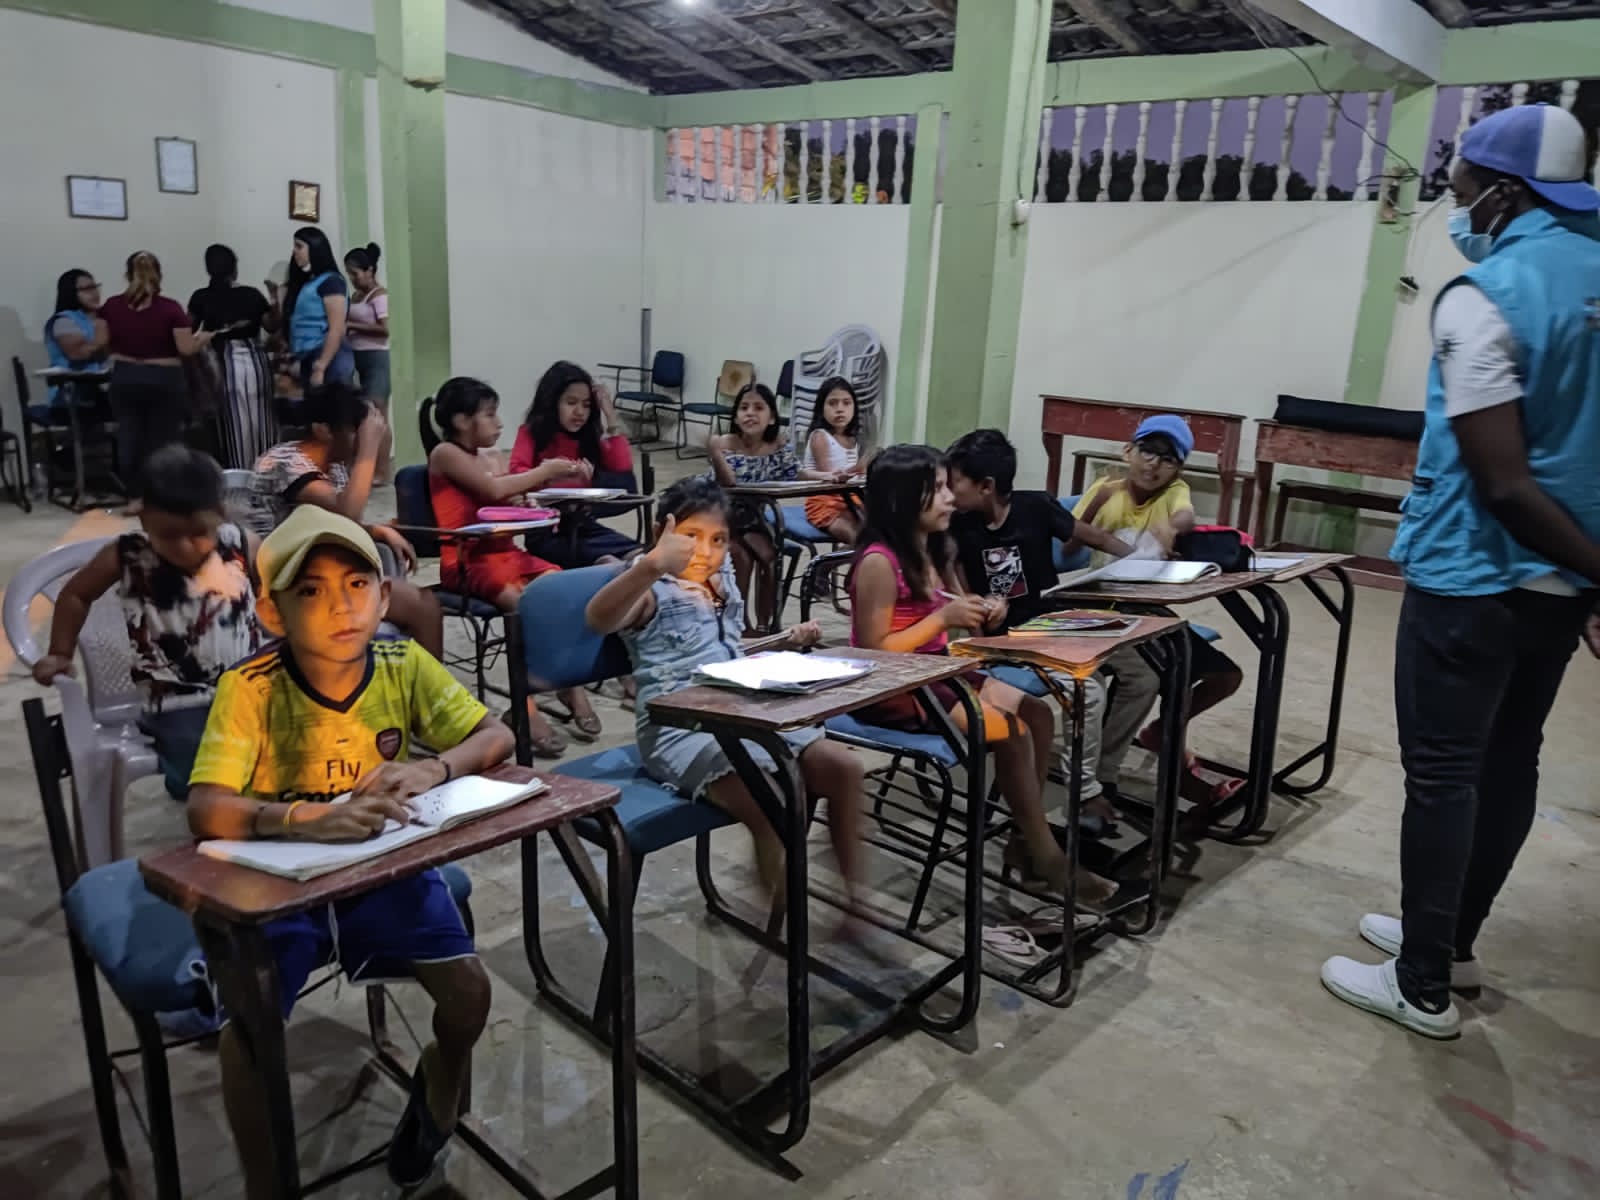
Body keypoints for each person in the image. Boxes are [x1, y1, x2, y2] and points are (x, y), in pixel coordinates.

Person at [1321, 104, 1600, 1040]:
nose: (1457, 205)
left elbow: (1505, 482)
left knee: (1444, 775)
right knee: (1510, 758)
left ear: (1505, 192)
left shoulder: (1489, 294)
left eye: (1462, 187)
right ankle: (1451, 944)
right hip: (1562, 586)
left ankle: (1421, 983)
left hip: (1476, 577)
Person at [187, 506, 506, 1194]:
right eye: (311, 591)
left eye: (358, 584)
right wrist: (306, 819)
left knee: (469, 995)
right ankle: (267, 1183)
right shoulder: (251, 688)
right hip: (279, 889)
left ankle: (441, 1078)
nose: (341, 606)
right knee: (251, 1031)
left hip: (382, 872)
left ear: (385, 596)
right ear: (271, 612)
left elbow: (494, 736)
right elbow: (205, 807)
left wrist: (433, 768)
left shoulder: (401, 662)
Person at [586, 477, 869, 920]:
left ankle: (855, 908)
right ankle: (787, 924)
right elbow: (598, 619)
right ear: (663, 532)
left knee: (842, 768)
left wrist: (781, 641)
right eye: (691, 537)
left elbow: (728, 649)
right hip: (680, 727)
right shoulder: (650, 588)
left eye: (718, 540)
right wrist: (651, 565)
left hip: (744, 707)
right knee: (773, 802)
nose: (705, 551)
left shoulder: (722, 578)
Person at [847, 444, 1118, 907]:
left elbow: (951, 607)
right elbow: (873, 653)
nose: (950, 497)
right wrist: (943, 619)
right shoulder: (879, 561)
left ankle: (1023, 838)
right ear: (902, 500)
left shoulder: (931, 546)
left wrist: (983, 609)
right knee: (1011, 733)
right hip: (895, 687)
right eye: (937, 489)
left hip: (938, 670)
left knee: (1038, 716)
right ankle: (1047, 857)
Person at [946, 428, 1139, 828]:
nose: (948, 492)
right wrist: (984, 613)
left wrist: (1147, 561)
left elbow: (1094, 537)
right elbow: (961, 597)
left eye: (954, 482)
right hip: (1005, 640)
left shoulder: (1035, 507)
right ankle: (1084, 793)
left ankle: (1098, 779)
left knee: (1143, 669)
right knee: (1088, 690)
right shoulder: (958, 527)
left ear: (986, 486)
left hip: (1054, 625)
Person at [423, 375, 605, 756]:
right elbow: (492, 491)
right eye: (489, 414)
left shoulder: (489, 456)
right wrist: (546, 471)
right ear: (460, 420)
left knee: (560, 591)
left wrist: (526, 502)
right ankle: (525, 704)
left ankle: (568, 684)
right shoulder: (445, 454)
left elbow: (503, 499)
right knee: (524, 606)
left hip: (508, 554)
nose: (499, 423)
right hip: (469, 561)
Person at [1073, 415, 1244, 798]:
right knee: (1147, 677)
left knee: (1225, 676)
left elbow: (1185, 515)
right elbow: (1066, 550)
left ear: (1178, 469)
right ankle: (1103, 776)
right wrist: (1093, 509)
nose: (1154, 464)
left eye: (1168, 459)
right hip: (1102, 608)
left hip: (1148, 611)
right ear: (1128, 452)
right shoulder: (1105, 490)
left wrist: (1171, 528)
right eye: (1148, 451)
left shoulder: (1173, 492)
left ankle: (1164, 731)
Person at [255, 383, 442, 658]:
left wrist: (378, 531)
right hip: (286, 576)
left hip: (324, 567)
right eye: (355, 431)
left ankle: (418, 682)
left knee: (424, 605)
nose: (360, 438)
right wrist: (368, 450)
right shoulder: (284, 461)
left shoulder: (335, 467)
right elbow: (347, 514)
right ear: (323, 430)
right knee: (420, 607)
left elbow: (336, 522)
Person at [100, 251, 215, 501]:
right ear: (159, 275)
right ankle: (162, 496)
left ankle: (134, 496)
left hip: (125, 376)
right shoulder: (170, 308)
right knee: (163, 440)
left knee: (129, 435)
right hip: (165, 378)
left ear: (127, 275)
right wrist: (203, 339)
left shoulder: (111, 306)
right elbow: (186, 349)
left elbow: (102, 342)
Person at [510, 360, 642, 566]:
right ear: (552, 402)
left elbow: (623, 474)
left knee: (641, 555)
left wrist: (611, 418)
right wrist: (552, 475)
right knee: (607, 562)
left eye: (586, 405)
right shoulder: (531, 433)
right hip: (546, 531)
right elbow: (517, 474)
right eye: (571, 403)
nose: (580, 412)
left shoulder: (587, 437)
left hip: (584, 526)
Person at [706, 382, 806, 631]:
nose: (750, 413)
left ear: (772, 418)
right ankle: (741, 625)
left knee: (770, 558)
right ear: (735, 417)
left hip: (753, 519)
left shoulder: (778, 446)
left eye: (759, 408)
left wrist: (829, 476)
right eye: (744, 408)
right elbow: (728, 482)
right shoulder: (725, 444)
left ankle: (764, 626)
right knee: (740, 558)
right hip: (719, 519)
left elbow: (798, 473)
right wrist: (715, 453)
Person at [187, 244, 277, 470]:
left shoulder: (201, 297)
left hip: (222, 365)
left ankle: (238, 474)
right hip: (256, 364)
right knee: (263, 421)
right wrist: (275, 298)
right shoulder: (251, 294)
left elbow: (187, 331)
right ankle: (266, 473)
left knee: (232, 426)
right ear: (234, 269)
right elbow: (272, 325)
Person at [271, 226, 353, 390]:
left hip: (327, 357)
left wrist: (321, 366)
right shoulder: (309, 283)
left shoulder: (331, 281)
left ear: (315, 249)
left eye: (299, 246)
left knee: (331, 405)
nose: (294, 252)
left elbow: (336, 328)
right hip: (308, 355)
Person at [343, 242, 393, 484]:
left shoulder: (379, 296)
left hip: (376, 358)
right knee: (363, 415)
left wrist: (351, 326)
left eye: (355, 273)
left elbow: (385, 329)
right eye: (349, 274)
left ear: (370, 270)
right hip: (357, 357)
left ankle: (382, 471)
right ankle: (365, 467)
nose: (352, 279)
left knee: (379, 416)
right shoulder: (356, 296)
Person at [800, 375, 865, 544]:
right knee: (854, 535)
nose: (840, 409)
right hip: (823, 501)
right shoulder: (820, 437)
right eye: (832, 403)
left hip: (849, 497)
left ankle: (858, 557)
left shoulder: (853, 439)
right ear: (821, 408)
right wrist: (857, 470)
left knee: (877, 530)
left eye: (846, 403)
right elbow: (831, 480)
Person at [42, 268, 110, 401]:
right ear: (71, 293)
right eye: (87, 289)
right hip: (69, 396)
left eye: (95, 287)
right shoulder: (64, 320)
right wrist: (100, 339)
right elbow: (78, 354)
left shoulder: (98, 318)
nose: (94, 293)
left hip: (97, 390)